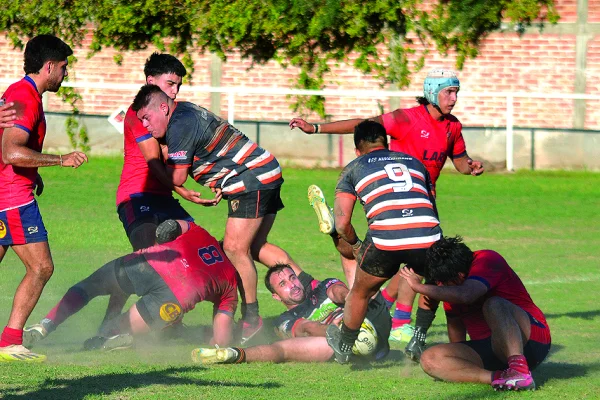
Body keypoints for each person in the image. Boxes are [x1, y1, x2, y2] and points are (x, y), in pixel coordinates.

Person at [291, 69, 484, 346]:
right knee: (419, 264)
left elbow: (461, 161)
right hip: (395, 199)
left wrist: (471, 167)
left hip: (421, 200)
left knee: (400, 263)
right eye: (448, 92)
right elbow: (365, 125)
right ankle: (402, 322)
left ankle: (381, 310)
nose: (454, 98)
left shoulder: (453, 126)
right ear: (432, 93)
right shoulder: (406, 118)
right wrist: (317, 128)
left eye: (456, 93)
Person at [131, 84, 301, 343]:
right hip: (264, 170)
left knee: (234, 249)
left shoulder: (180, 124)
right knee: (256, 246)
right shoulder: (184, 112)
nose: (145, 125)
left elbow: (177, 175)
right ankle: (311, 293)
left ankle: (251, 320)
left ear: (163, 108)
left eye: (147, 118)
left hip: (249, 178)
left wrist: (155, 161)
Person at [0, 35, 88, 363]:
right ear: (48, 66)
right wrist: (59, 159)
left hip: (9, 190)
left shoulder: (17, 92)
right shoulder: (25, 95)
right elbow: (11, 150)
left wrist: (34, 173)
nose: (66, 74)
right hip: (11, 197)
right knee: (41, 267)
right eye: (63, 68)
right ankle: (10, 341)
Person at [324, 120, 441, 364]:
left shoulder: (353, 167)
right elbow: (432, 208)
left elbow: (342, 223)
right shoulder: (415, 162)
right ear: (385, 143)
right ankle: (418, 339)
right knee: (432, 283)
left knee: (360, 292)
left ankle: (344, 346)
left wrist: (356, 246)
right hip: (427, 235)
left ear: (358, 149)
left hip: (384, 239)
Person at [23, 220, 239, 350]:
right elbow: (221, 340)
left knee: (89, 287)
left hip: (151, 263)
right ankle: (110, 337)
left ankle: (45, 326)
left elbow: (169, 227)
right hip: (175, 297)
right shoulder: (231, 281)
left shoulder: (202, 233)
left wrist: (162, 241)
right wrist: (215, 341)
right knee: (120, 329)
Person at [399, 236, 551, 391]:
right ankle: (502, 378)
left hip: (531, 341)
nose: (441, 286)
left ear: (460, 276)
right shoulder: (450, 290)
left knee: (494, 304)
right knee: (429, 359)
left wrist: (418, 287)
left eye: (443, 282)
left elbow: (467, 294)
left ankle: (519, 370)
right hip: (492, 351)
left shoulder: (488, 259)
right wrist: (455, 362)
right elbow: (456, 334)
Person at [190, 263, 391, 364]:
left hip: (365, 325)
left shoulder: (321, 288)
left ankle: (337, 232)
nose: (292, 285)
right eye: (283, 284)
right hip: (335, 345)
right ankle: (231, 354)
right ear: (276, 297)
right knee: (282, 349)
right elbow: (305, 329)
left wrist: (351, 305)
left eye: (292, 278)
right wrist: (337, 332)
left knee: (368, 284)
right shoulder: (285, 320)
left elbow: (338, 292)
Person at [116, 53, 217, 253]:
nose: (175, 91)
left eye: (178, 86)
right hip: (137, 195)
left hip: (164, 196)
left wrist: (217, 179)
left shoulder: (175, 114)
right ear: (150, 81)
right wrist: (183, 191)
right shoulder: (140, 113)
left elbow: (180, 156)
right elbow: (155, 163)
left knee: (198, 249)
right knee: (149, 256)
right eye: (170, 83)